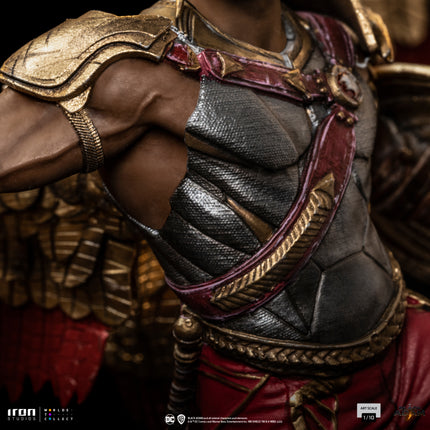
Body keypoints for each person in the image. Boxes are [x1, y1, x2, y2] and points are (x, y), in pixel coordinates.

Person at [0, 0, 429, 428]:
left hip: (409, 346)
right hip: (277, 391)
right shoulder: (123, 68)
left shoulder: (338, 41)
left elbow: (387, 179)